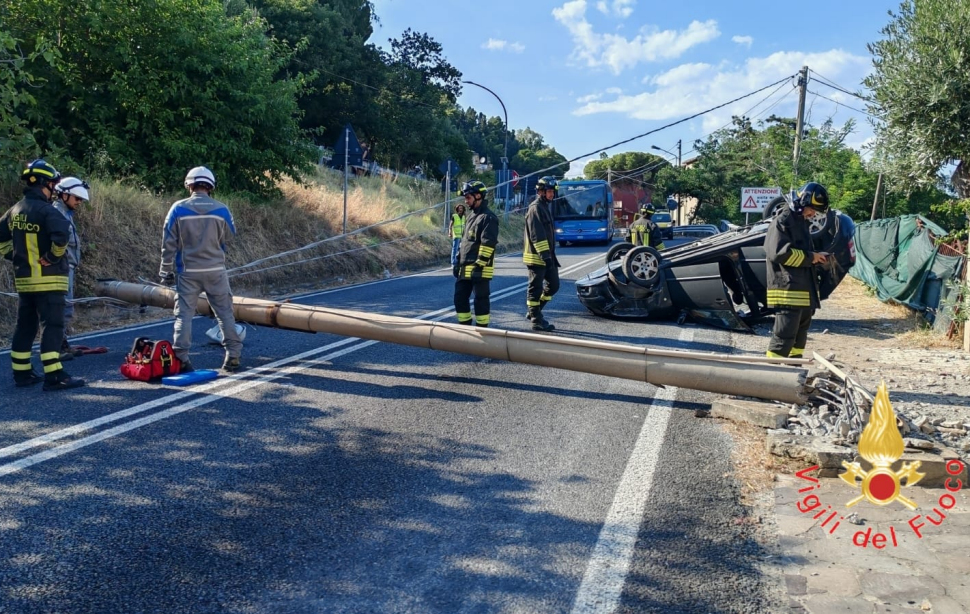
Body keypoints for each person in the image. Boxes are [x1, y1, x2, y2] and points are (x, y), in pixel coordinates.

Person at [0, 159, 85, 390]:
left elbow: (1, 239)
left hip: (25, 282)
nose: (54, 189)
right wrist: (53, 257)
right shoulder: (47, 211)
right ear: (45, 183)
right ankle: (55, 376)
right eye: (53, 184)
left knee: (25, 327)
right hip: (49, 280)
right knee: (53, 326)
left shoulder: (14, 211)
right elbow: (62, 237)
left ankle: (22, 373)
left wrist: (15, 256)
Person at [160, 166, 243, 372]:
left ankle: (182, 358)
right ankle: (233, 355)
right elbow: (230, 236)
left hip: (188, 273)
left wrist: (165, 270)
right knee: (225, 314)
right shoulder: (222, 209)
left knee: (184, 316)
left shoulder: (178, 208)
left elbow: (168, 242)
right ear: (211, 186)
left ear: (189, 185)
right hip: (216, 271)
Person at [764, 182, 830, 358]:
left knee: (799, 337)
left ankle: (795, 368)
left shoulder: (799, 222)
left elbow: (800, 251)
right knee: (784, 336)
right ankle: (773, 371)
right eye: (812, 209)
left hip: (801, 291)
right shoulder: (783, 221)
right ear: (803, 203)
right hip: (788, 291)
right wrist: (811, 257)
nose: (813, 214)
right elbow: (778, 253)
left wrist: (815, 256)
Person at [52, 177, 90, 353]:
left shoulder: (65, 213)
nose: (79, 202)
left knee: (66, 306)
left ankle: (61, 341)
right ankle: (57, 345)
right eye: (77, 198)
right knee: (63, 306)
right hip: (61, 268)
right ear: (64, 195)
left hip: (68, 267)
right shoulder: (56, 214)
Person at [453, 180, 499, 327]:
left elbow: (488, 244)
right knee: (459, 298)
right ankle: (465, 329)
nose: (465, 201)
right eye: (465, 198)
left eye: (468, 197)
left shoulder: (488, 218)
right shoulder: (471, 216)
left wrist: (479, 265)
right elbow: (465, 242)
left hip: (480, 268)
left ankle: (482, 330)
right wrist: (457, 261)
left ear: (478, 196)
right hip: (465, 268)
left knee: (481, 300)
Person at [523, 176, 562, 332]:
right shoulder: (535, 208)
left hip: (547, 256)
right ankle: (536, 320)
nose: (552, 194)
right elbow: (537, 235)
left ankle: (535, 310)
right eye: (549, 191)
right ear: (541, 192)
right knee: (535, 288)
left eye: (553, 191)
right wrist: (545, 255)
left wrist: (549, 256)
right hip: (536, 257)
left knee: (554, 285)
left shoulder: (544, 206)